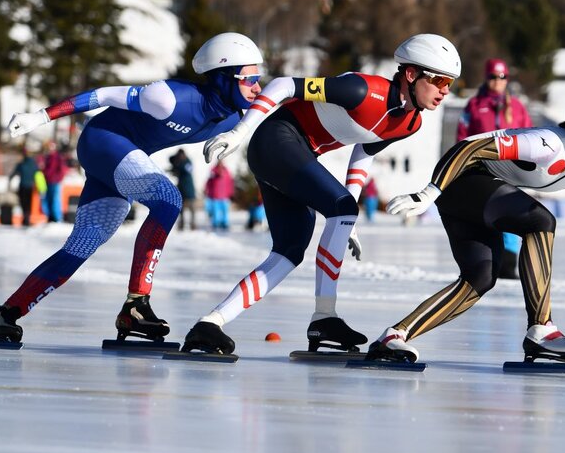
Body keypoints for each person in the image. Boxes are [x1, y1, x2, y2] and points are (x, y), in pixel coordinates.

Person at [0, 32, 265, 344]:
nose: (257, 87)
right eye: (250, 78)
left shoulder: (235, 116)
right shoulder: (170, 97)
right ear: (222, 78)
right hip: (103, 140)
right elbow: (103, 95)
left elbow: (281, 95)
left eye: (259, 77)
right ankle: (137, 304)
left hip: (125, 159)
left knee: (81, 246)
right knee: (168, 199)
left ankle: (4, 316)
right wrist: (41, 116)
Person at [180, 33, 461, 356]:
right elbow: (284, 85)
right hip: (276, 140)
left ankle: (211, 323)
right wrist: (239, 132)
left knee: (289, 251)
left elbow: (364, 152)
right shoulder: (362, 90)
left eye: (450, 84)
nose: (444, 90)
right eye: (439, 80)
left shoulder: (410, 123)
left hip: (298, 154)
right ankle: (325, 315)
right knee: (339, 210)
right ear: (410, 74)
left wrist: (349, 211)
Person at [366, 86, 565, 364]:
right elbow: (468, 147)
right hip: (461, 176)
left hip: (473, 197)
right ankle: (542, 328)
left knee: (480, 279)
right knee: (541, 221)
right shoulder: (549, 144)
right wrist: (429, 192)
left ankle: (394, 336)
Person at [457, 58, 533, 278]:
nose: (497, 81)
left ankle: (508, 261)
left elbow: (530, 136)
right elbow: (462, 137)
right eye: (493, 77)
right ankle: (484, 259)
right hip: (482, 169)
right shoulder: (474, 105)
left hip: (510, 169)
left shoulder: (517, 106)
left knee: (511, 212)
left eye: (502, 77)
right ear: (486, 77)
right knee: (483, 214)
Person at [39, 140, 70, 223]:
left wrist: (57, 177)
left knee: (54, 199)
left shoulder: (56, 157)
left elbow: (55, 170)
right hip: (48, 181)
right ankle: (50, 217)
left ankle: (56, 218)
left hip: (54, 181)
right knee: (48, 199)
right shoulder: (48, 157)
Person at [9, 148, 41, 227]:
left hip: (22, 187)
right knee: (29, 204)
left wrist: (9, 181)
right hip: (31, 187)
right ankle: (27, 219)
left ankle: (25, 218)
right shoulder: (34, 164)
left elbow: (13, 174)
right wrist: (41, 187)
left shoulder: (21, 164)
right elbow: (39, 175)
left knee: (23, 203)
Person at [168, 149, 198, 230]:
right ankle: (181, 225)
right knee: (181, 210)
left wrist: (176, 168)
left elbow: (186, 170)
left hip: (189, 190)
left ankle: (193, 225)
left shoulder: (187, 162)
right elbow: (171, 159)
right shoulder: (179, 162)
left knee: (192, 210)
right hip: (181, 190)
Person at [204, 161, 234, 230]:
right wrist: (207, 190)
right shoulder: (213, 171)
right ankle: (216, 223)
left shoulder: (227, 171)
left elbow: (230, 183)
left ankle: (224, 223)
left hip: (225, 196)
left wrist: (231, 193)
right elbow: (208, 182)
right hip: (215, 195)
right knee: (215, 211)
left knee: (225, 211)